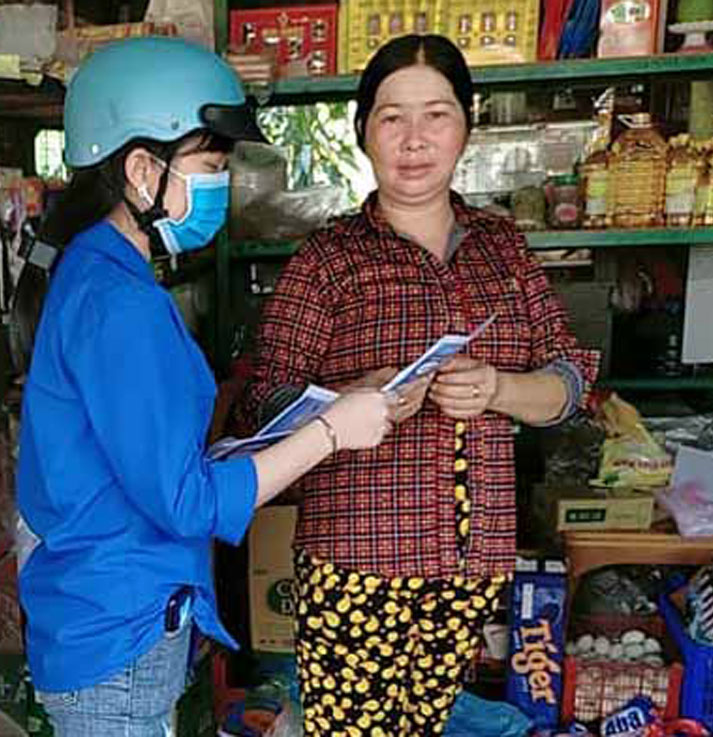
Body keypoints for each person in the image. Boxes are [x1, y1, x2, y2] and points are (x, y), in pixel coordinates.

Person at [14, 37, 393, 737]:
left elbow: (149, 465)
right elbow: (188, 502)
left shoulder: (102, 274)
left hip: (113, 619)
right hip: (118, 634)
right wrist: (332, 432)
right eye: (211, 166)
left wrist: (326, 411)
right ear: (141, 169)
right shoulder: (119, 302)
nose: (223, 184)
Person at [234, 34, 599, 736]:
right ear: (363, 130)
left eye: (436, 115)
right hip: (356, 562)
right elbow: (265, 400)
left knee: (428, 725)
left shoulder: (503, 249)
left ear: (466, 124)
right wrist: (351, 399)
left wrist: (497, 388)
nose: (414, 139)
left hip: (472, 559)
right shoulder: (329, 259)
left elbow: (570, 379)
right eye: (391, 117)